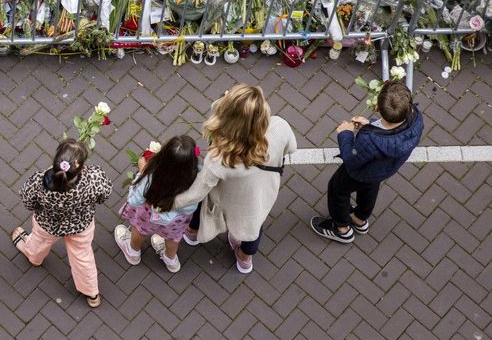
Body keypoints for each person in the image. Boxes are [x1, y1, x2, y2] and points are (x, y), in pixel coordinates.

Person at [174, 84, 297, 274]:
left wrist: (168, 202)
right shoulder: (280, 126)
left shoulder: (220, 158)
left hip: (229, 198)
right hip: (261, 195)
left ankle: (192, 233)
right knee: (254, 225)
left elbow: (196, 194)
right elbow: (292, 148)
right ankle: (245, 258)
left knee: (202, 206)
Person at [310, 80, 424, 243]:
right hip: (381, 171)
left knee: (337, 189)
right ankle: (359, 219)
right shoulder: (416, 119)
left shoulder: (370, 139)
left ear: (378, 107)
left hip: (359, 172)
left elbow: (351, 159)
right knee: (370, 188)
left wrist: (346, 134)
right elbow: (390, 133)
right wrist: (369, 125)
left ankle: (342, 229)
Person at [12, 139, 112, 308]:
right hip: (81, 225)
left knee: (39, 241)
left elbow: (28, 201)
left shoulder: (39, 181)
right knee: (82, 256)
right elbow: (105, 195)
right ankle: (92, 294)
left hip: (47, 224)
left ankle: (34, 258)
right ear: (81, 167)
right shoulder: (94, 178)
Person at [114, 135, 200, 273]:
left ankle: (133, 253)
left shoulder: (152, 176)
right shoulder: (197, 178)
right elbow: (192, 207)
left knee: (140, 230)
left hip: (149, 215)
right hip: (177, 220)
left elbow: (135, 200)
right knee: (173, 238)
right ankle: (171, 260)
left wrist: (142, 171)